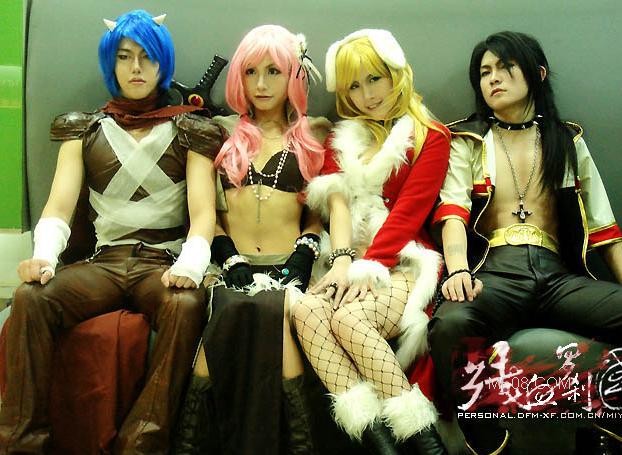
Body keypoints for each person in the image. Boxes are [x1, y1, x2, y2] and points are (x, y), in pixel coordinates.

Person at [0, 9, 222, 454]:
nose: (136, 67)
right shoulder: (83, 129)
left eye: (146, 56)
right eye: (124, 56)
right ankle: (20, 444)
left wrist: (192, 264)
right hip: (104, 262)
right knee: (30, 298)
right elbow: (59, 206)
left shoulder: (191, 130)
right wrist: (44, 256)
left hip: (162, 263)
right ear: (111, 63)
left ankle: (142, 444)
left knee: (185, 305)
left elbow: (203, 214)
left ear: (162, 62)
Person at [428, 30, 622, 454]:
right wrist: (458, 269)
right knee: (450, 324)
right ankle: (483, 433)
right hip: (496, 272)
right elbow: (452, 214)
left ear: (538, 73)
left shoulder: (567, 140)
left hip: (558, 277)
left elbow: (606, 233)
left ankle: (606, 426)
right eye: (484, 72)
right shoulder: (468, 139)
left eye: (504, 67)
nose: (493, 78)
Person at [171, 25, 328, 455]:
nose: (261, 84)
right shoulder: (219, 132)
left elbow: (318, 215)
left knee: (276, 318)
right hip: (228, 268)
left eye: (273, 71)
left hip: (291, 269)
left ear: (293, 74)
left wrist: (303, 255)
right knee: (225, 316)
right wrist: (227, 256)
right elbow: (206, 214)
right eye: (251, 71)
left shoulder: (315, 134)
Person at [292, 29, 450, 454]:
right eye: (354, 86)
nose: (366, 95)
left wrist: (370, 264)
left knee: (349, 319)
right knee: (306, 310)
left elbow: (409, 213)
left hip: (402, 263)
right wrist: (344, 261)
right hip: (347, 259)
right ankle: (381, 446)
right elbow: (337, 204)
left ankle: (428, 445)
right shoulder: (341, 139)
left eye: (374, 79)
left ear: (396, 73)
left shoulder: (430, 135)